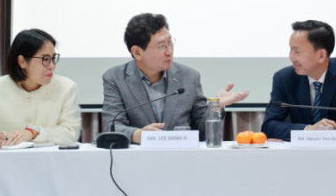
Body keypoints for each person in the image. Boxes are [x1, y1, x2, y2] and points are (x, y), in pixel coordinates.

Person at [102, 13, 249, 144]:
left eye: (170, 43)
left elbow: (202, 132)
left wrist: (215, 107)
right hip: (138, 159)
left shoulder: (189, 77)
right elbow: (113, 126)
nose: (169, 51)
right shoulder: (116, 78)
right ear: (137, 52)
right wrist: (137, 135)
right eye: (161, 46)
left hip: (183, 158)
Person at [0, 29, 81, 149]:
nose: (52, 66)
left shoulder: (66, 88)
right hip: (6, 159)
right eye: (45, 59)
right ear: (22, 62)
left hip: (49, 159)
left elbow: (71, 132)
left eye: (53, 58)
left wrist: (35, 132)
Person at [261, 20, 336, 141]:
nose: (291, 57)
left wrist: (328, 133)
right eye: (291, 50)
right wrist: (309, 130)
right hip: (299, 151)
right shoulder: (284, 78)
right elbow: (269, 126)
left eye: (297, 51)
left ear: (321, 55)